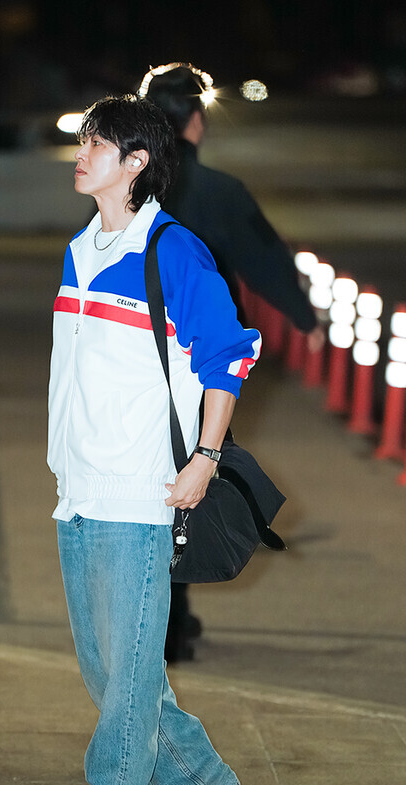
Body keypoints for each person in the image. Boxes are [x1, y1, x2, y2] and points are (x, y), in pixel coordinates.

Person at [41, 94, 260, 785]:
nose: (82, 151)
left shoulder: (172, 250)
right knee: (112, 670)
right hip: (80, 488)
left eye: (97, 143)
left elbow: (228, 355)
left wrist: (205, 456)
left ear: (136, 162)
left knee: (127, 674)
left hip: (141, 491)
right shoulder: (83, 248)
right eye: (83, 140)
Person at [142, 63, 324, 663]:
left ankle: (159, 616)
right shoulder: (221, 191)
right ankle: (173, 620)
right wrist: (304, 318)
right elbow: (264, 256)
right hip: (202, 365)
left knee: (145, 483)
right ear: (196, 122)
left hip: (136, 356)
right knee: (194, 478)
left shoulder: (129, 189)